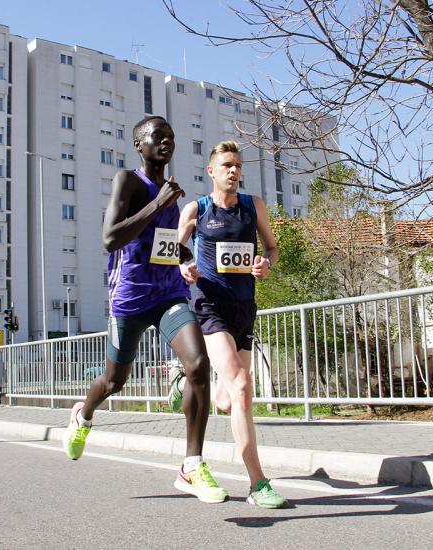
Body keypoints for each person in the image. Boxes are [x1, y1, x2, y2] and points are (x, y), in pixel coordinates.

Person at [62, 115, 228, 504]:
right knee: (114, 382)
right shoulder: (129, 181)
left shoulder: (173, 192)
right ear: (140, 144)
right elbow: (109, 238)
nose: (166, 142)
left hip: (168, 294)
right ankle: (84, 415)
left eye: (171, 136)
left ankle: (191, 465)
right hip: (130, 299)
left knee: (199, 364)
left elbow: (162, 243)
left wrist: (186, 256)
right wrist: (158, 203)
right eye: (158, 137)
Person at [169, 140, 286, 508]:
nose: (234, 171)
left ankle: (187, 385)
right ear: (212, 171)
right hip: (209, 304)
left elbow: (272, 247)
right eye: (227, 166)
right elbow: (170, 248)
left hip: (243, 307)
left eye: (237, 165)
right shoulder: (198, 208)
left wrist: (266, 263)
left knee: (226, 397)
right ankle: (258, 483)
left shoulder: (254, 206)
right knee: (241, 385)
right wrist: (183, 266)